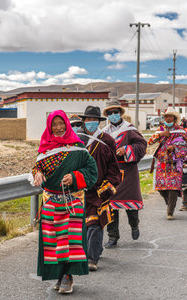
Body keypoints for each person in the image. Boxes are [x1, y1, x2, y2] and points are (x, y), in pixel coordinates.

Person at [31, 110, 98, 294]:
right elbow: (38, 168)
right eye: (54, 124)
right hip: (51, 203)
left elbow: (92, 172)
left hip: (72, 203)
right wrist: (37, 173)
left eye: (62, 124)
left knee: (70, 242)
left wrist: (76, 177)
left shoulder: (78, 148)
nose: (58, 128)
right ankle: (60, 275)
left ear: (67, 125)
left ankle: (68, 276)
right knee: (53, 243)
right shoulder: (45, 149)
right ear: (49, 127)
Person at [74, 106, 121, 271]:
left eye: (94, 120)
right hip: (78, 190)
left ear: (99, 121)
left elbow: (113, 168)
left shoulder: (107, 140)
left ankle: (92, 259)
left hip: (98, 190)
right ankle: (94, 249)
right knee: (81, 225)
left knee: (95, 223)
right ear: (84, 121)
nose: (91, 123)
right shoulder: (76, 139)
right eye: (88, 120)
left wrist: (107, 187)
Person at [102, 99, 147, 247]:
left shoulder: (130, 130)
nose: (113, 115)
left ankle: (134, 224)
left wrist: (126, 150)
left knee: (130, 203)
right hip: (111, 173)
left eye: (116, 112)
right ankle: (113, 236)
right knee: (111, 204)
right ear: (107, 115)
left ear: (120, 113)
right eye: (110, 113)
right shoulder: (104, 132)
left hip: (127, 171)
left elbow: (141, 145)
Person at [148, 108, 187, 220]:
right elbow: (150, 142)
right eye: (166, 117)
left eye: (170, 116)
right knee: (161, 188)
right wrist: (161, 135)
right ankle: (170, 202)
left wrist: (175, 148)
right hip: (162, 165)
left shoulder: (181, 131)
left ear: (174, 118)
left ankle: (170, 212)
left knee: (173, 188)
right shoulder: (160, 130)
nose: (168, 118)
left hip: (175, 165)